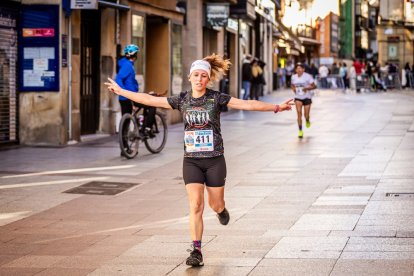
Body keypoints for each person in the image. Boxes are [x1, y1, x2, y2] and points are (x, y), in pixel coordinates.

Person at [105, 53, 294, 267]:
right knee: (195, 205)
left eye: (203, 76)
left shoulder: (216, 98)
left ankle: (222, 211)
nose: (199, 79)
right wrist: (122, 92)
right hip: (192, 161)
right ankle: (196, 250)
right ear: (190, 77)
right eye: (196, 75)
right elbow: (150, 99)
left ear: (208, 79)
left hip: (214, 161)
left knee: (215, 204)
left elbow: (246, 104)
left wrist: (276, 107)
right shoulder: (182, 100)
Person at [116, 44, 155, 142]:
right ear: (134, 55)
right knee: (152, 104)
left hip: (124, 97)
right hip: (130, 97)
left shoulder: (123, 63)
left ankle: (125, 148)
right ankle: (147, 128)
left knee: (126, 121)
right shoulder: (128, 66)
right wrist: (125, 92)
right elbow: (118, 79)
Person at [291, 62, 317, 138]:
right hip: (298, 97)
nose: (299, 70)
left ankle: (307, 120)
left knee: (306, 115)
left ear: (303, 69)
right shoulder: (293, 77)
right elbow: (292, 85)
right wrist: (294, 90)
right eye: (297, 68)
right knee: (299, 113)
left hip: (307, 97)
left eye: (300, 68)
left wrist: (307, 88)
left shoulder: (308, 77)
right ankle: (300, 131)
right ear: (295, 70)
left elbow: (314, 86)